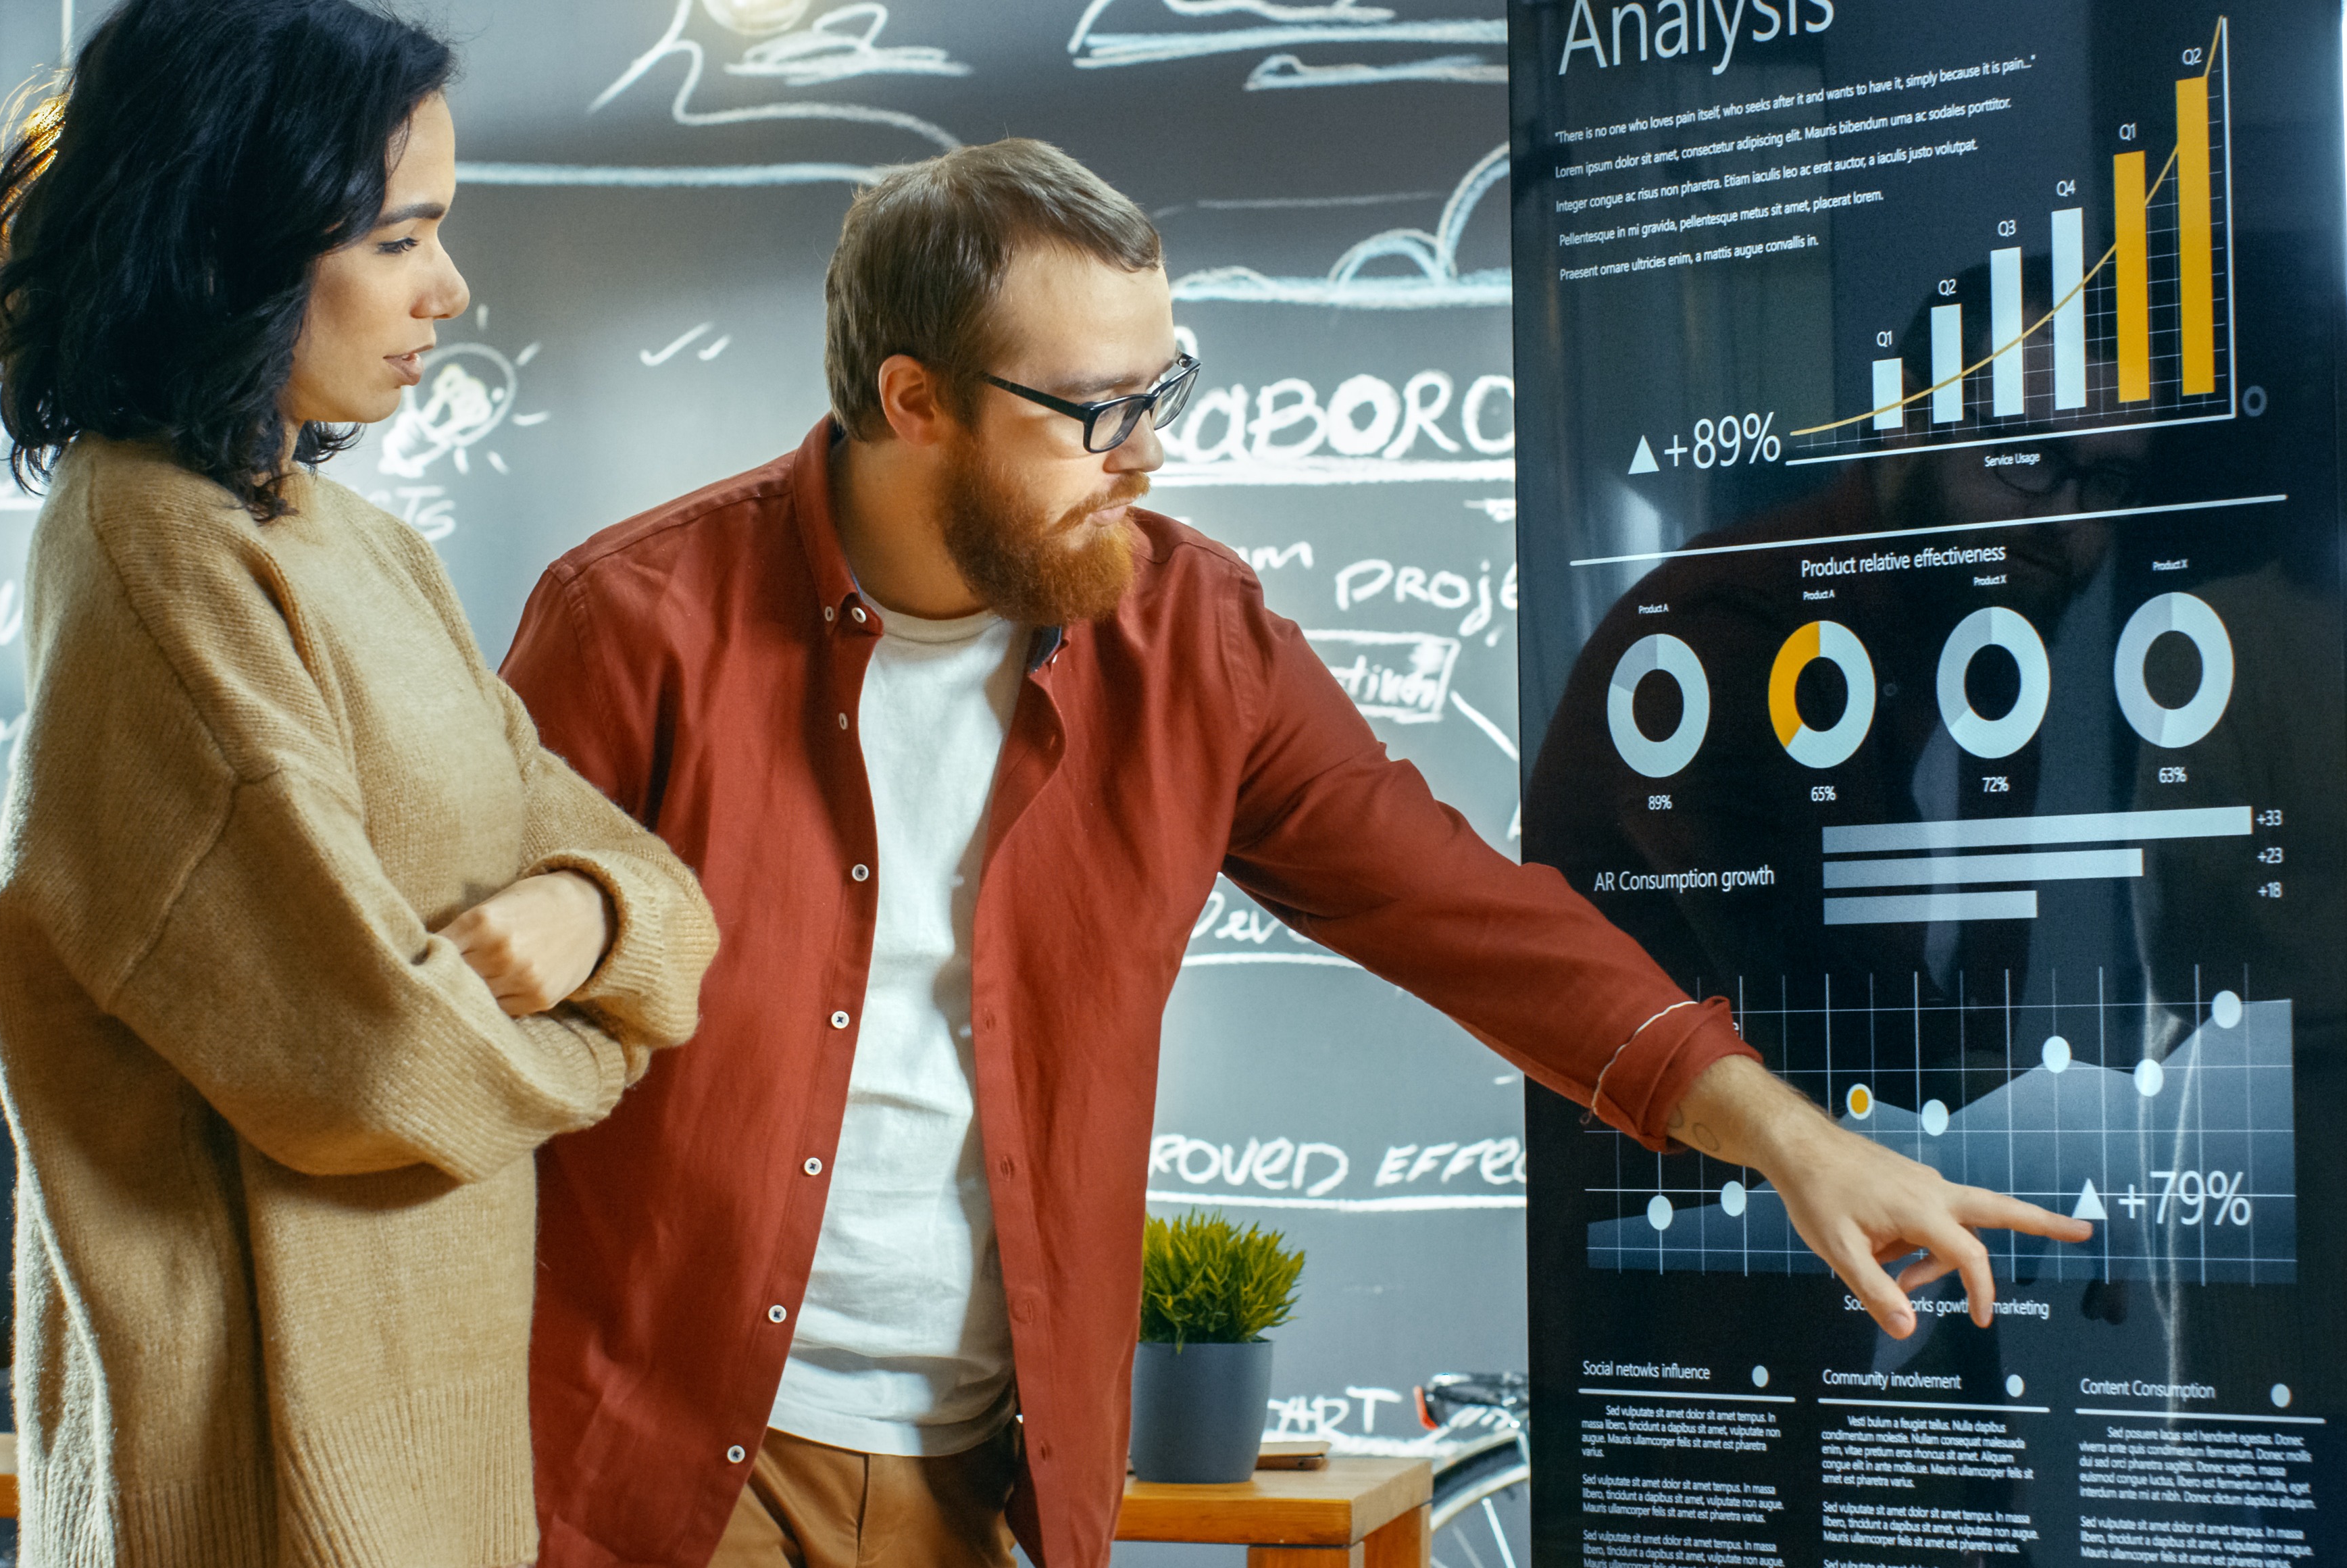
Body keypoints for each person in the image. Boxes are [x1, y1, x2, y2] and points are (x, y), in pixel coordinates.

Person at [499, 139, 2086, 1568]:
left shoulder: (1192, 635)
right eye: (1092, 413)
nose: (1146, 456)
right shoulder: (634, 622)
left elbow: (1461, 909)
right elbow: (478, 1034)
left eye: (1161, 391)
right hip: (661, 1453)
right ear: (914, 402)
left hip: (975, 1471)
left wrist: (1785, 1138)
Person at [0, 3, 718, 1563]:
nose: (451, 286)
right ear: (232, 241)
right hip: (264, 1471)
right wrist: (609, 1051)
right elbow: (376, 1065)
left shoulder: (365, 548)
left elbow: (655, 892)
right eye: (401, 238)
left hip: (432, 1447)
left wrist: (584, 917)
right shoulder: (156, 554)